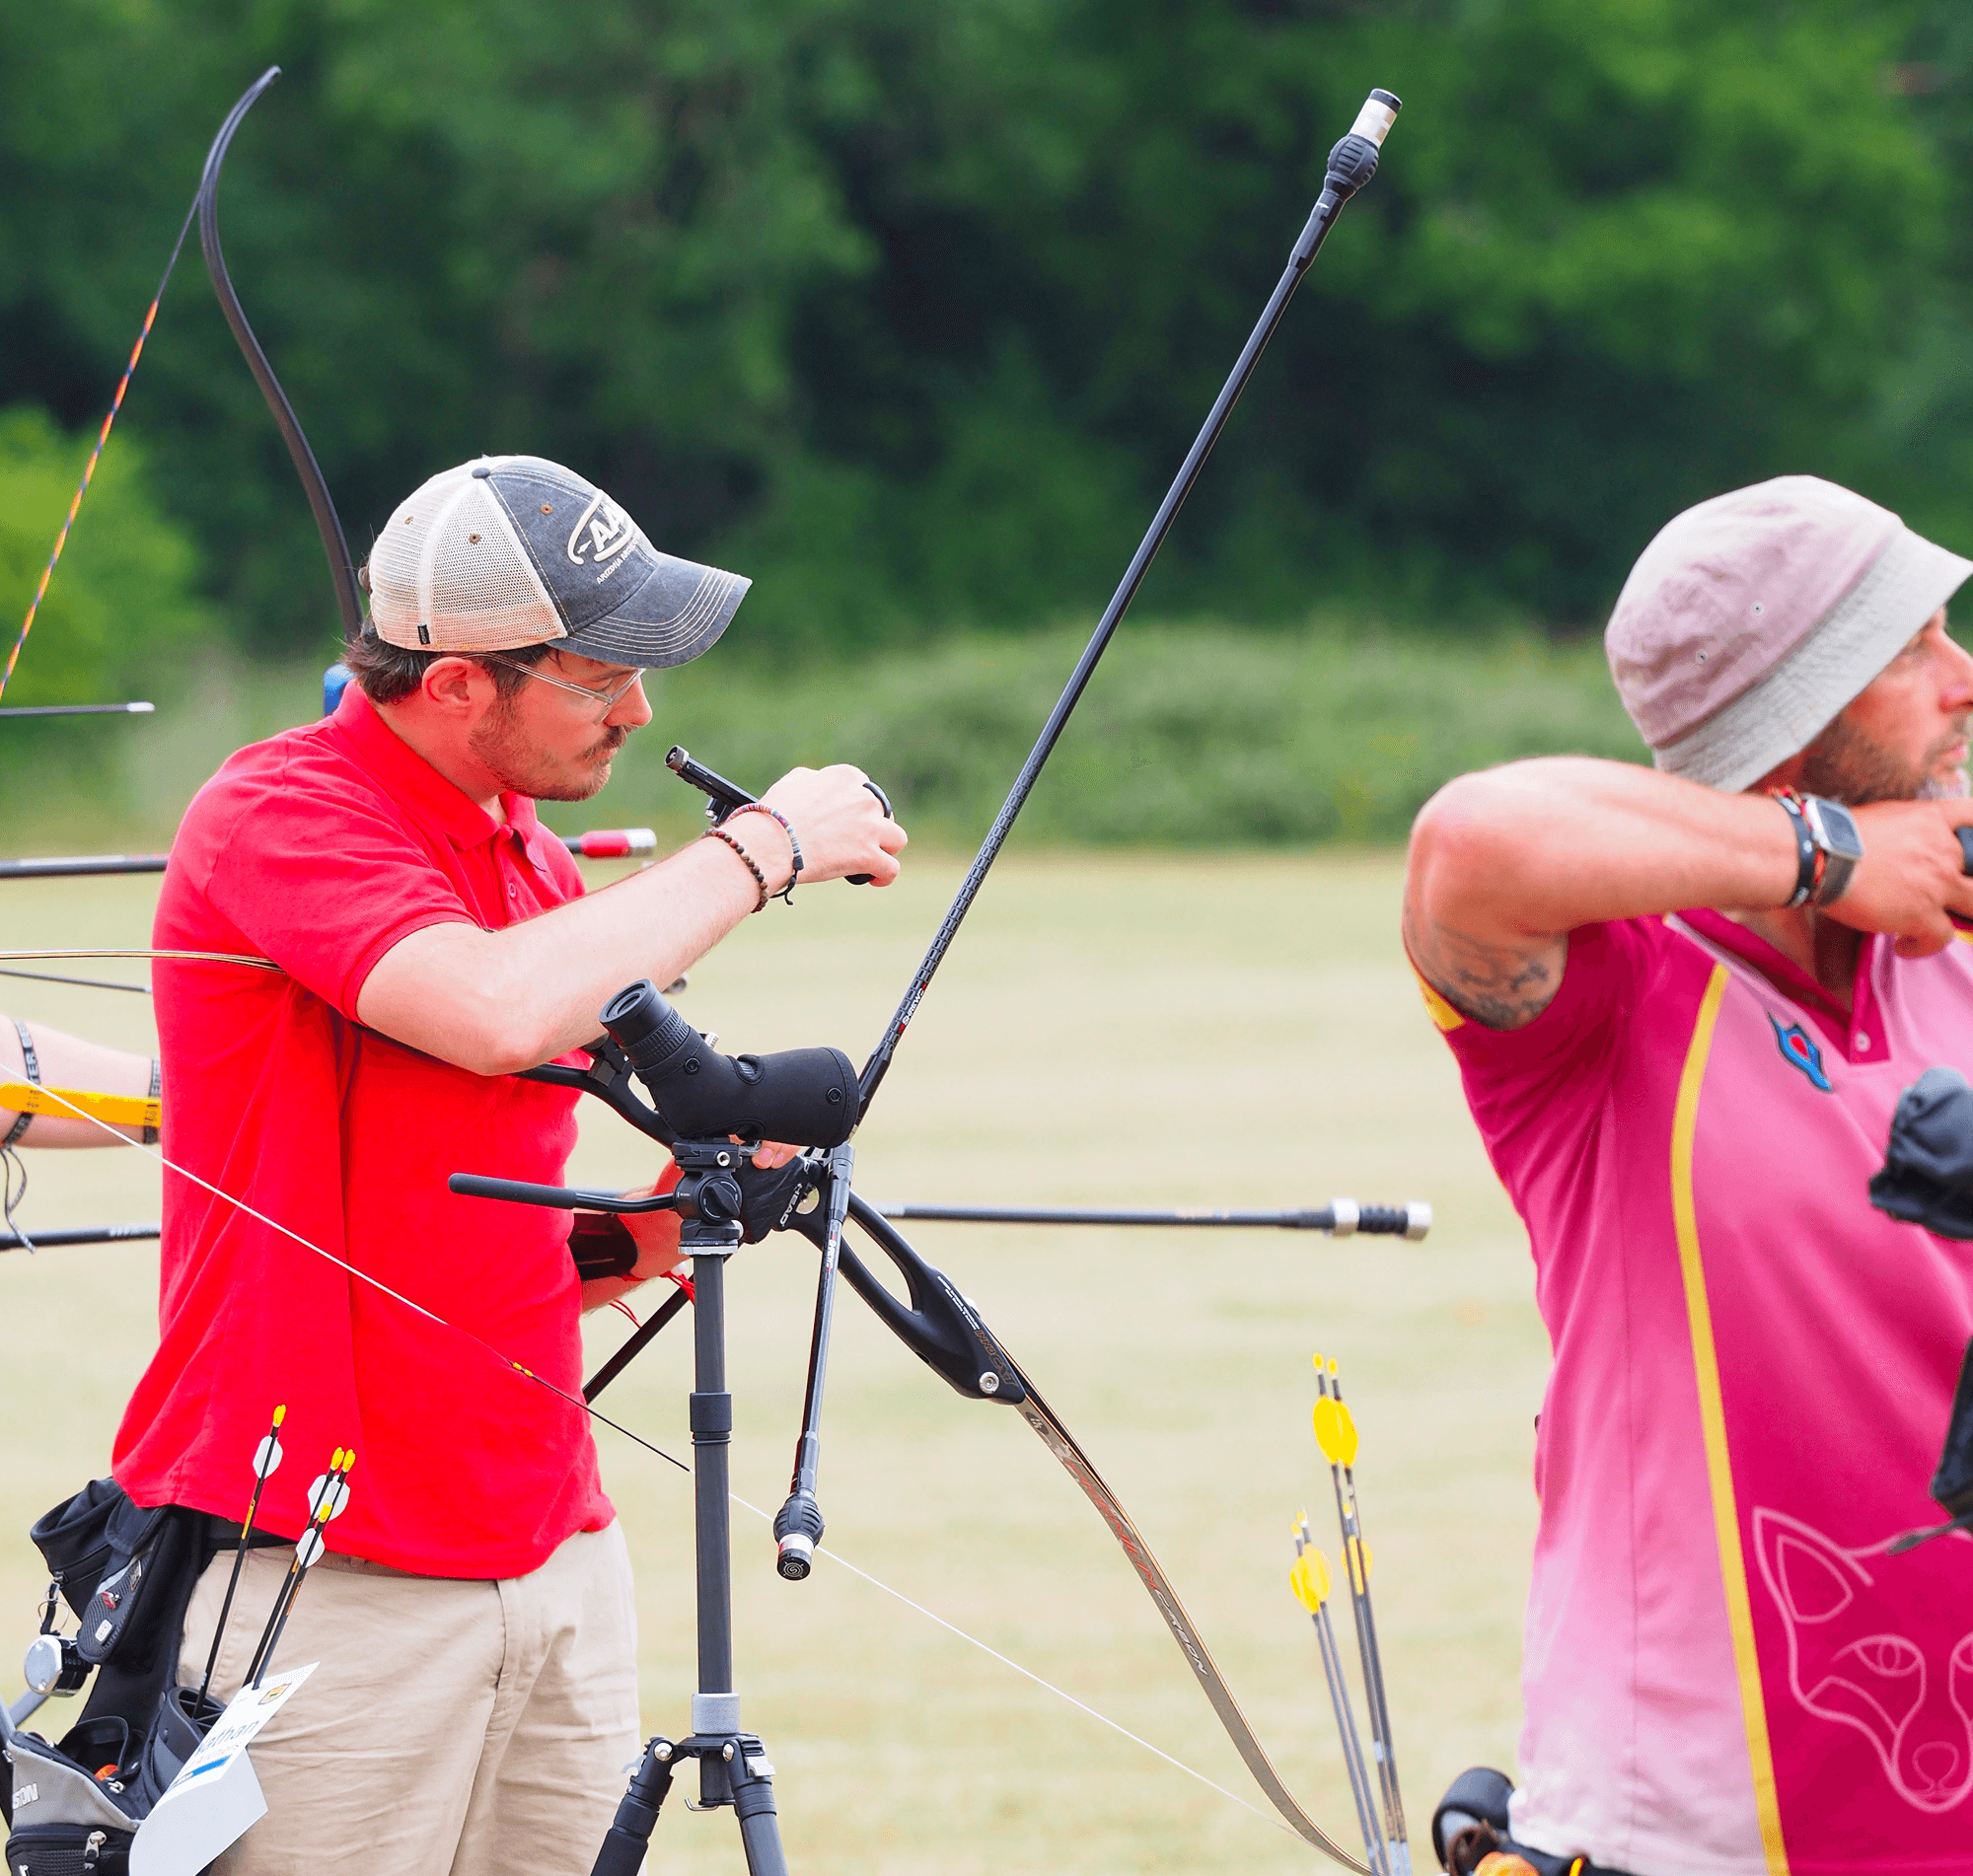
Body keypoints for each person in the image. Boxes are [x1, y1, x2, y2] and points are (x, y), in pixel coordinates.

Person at [110, 455, 906, 1875]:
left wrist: (678, 1224)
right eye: (602, 678)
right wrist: (764, 845)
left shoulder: (528, 860)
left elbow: (492, 1251)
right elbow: (489, 1012)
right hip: (323, 1565)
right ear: (461, 681)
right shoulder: (281, 813)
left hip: (554, 1548)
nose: (641, 711)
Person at [1405, 475, 1973, 1876]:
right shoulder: (1614, 1000)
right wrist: (1828, 853)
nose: (1964, 680)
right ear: (1792, 725)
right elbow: (1469, 842)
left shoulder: (1947, 941)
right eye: (1912, 651)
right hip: (1704, 1817)